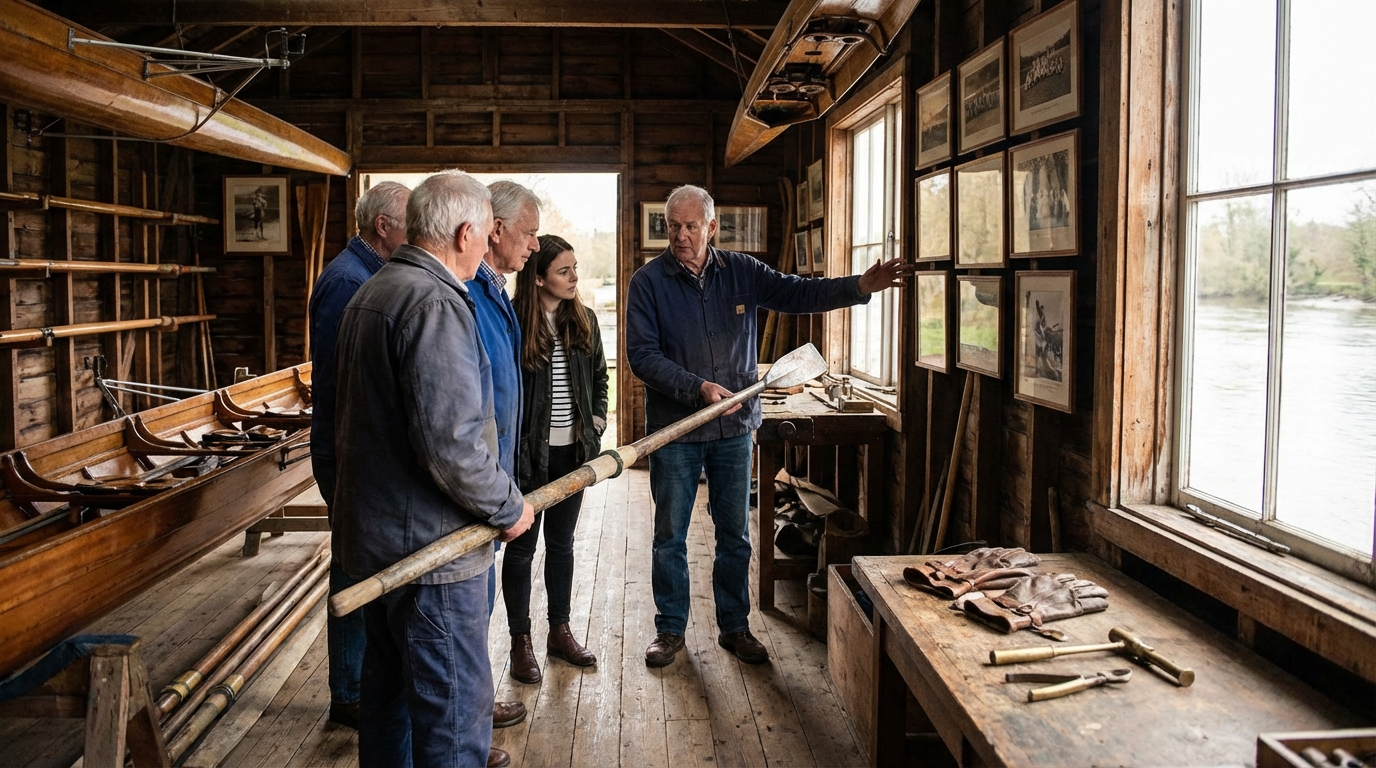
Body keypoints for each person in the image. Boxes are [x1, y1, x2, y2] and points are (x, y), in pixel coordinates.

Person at [626, 184, 911, 668]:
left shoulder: (741, 271)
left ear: (711, 228)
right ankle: (670, 630)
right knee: (669, 535)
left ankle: (734, 627)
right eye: (673, 226)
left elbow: (799, 293)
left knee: (734, 534)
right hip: (677, 429)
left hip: (735, 430)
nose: (680, 235)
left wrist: (860, 286)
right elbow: (642, 356)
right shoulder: (648, 282)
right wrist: (697, 388)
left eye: (691, 226)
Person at [332, 170, 535, 768]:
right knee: (450, 719)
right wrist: (508, 506)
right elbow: (452, 444)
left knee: (389, 702)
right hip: (432, 555)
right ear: (467, 231)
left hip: (382, 544)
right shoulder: (435, 302)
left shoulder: (375, 290)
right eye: (483, 236)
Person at [306, 181, 409, 730]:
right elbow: (339, 379)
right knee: (351, 569)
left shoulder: (368, 272)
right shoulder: (349, 280)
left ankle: (360, 685)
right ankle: (348, 692)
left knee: (360, 564)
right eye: (408, 221)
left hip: (358, 448)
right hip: (349, 451)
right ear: (384, 227)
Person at [503, 235, 607, 683]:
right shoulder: (514, 323)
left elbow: (601, 376)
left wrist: (598, 420)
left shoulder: (584, 320)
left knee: (562, 545)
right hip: (529, 459)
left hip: (573, 453)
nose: (574, 278)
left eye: (575, 268)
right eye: (564, 271)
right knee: (523, 549)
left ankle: (559, 631)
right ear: (539, 276)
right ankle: (520, 639)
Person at [466, 180, 540, 730]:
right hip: (474, 478)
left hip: (494, 471)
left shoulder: (494, 289)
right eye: (529, 233)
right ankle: (469, 718)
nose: (535, 245)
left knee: (478, 600)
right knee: (467, 608)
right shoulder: (468, 293)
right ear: (494, 231)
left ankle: (473, 705)